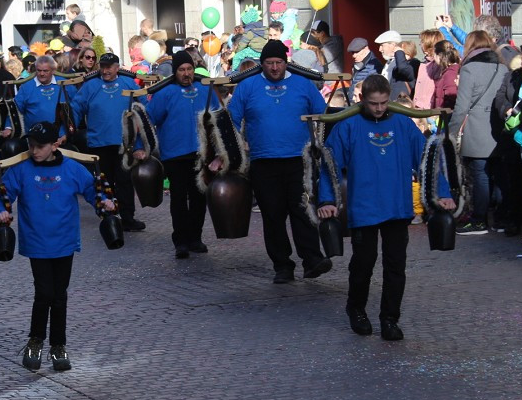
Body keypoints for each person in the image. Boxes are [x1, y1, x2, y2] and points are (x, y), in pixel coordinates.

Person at [318, 75, 455, 341]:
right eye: (373, 104)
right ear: (362, 100)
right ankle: (356, 309)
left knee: (395, 266)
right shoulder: (348, 126)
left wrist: (443, 194)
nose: (379, 108)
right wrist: (327, 200)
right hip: (363, 208)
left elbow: (427, 161)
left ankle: (390, 318)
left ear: (389, 99)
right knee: (363, 264)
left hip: (397, 207)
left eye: (383, 103)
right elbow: (329, 166)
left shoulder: (403, 124)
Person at [0, 121, 116, 372]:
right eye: (31, 146)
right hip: (37, 242)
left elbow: (95, 190)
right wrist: (2, 213)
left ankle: (58, 346)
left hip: (64, 242)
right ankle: (35, 342)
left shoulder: (72, 169)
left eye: (40, 146)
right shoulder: (21, 170)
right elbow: (2, 195)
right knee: (44, 293)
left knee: (59, 296)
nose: (34, 150)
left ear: (54, 145)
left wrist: (105, 203)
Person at [228, 40, 332, 282]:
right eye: (269, 63)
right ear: (261, 64)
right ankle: (282, 265)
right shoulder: (247, 87)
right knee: (273, 215)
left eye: (278, 63)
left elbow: (323, 116)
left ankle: (312, 260)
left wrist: (320, 146)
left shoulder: (303, 85)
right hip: (263, 161)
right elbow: (231, 119)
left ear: (286, 63)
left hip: (298, 159)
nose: (274, 68)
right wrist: (236, 148)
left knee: (303, 211)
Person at [134, 51, 219, 258]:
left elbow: (218, 120)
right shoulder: (165, 93)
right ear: (175, 72)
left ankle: (195, 238)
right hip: (174, 155)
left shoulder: (205, 90)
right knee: (179, 199)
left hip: (201, 154)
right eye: (182, 70)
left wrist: (220, 152)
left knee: (199, 198)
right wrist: (139, 145)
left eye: (189, 69)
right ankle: (180, 241)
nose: (186, 73)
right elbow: (147, 120)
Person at [71, 53, 143, 232]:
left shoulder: (128, 84)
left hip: (123, 142)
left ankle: (127, 218)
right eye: (103, 66)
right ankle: (108, 217)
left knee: (125, 181)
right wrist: (68, 129)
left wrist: (143, 130)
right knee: (104, 182)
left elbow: (143, 105)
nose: (105, 70)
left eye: (109, 66)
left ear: (117, 67)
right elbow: (76, 107)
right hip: (98, 143)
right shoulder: (91, 86)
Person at [448, 30, 508, 235]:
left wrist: (452, 131)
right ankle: (501, 218)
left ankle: (480, 220)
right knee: (499, 174)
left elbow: (462, 105)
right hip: (498, 126)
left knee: (480, 174)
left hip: (477, 126)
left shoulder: (469, 69)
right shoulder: (501, 66)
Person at [375, 30, 416, 99]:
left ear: (393, 45)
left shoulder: (410, 63)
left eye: (382, 45)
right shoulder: (389, 62)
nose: (380, 49)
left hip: (399, 105)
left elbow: (402, 68)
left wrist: (399, 52)